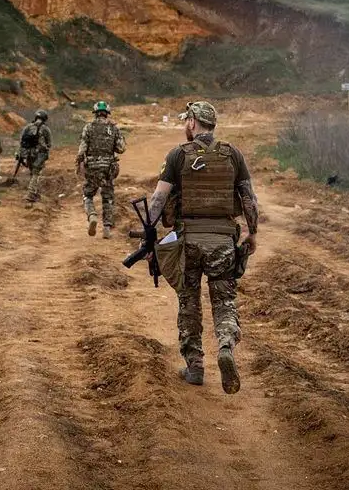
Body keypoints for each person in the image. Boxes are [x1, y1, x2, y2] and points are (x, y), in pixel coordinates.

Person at [140, 101, 259, 394]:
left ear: (192, 122)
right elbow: (248, 199)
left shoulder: (179, 155)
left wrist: (149, 233)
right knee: (224, 301)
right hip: (223, 242)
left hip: (188, 242)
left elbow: (157, 200)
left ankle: (194, 366)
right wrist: (252, 233)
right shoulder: (233, 155)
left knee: (189, 301)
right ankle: (226, 346)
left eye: (186, 121)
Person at [76, 101, 126, 239]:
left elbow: (82, 149)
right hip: (108, 168)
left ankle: (92, 215)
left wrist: (79, 162)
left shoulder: (88, 127)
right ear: (107, 113)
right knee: (108, 198)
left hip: (92, 167)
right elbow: (121, 148)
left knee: (88, 195)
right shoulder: (114, 128)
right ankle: (107, 228)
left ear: (95, 113)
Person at [16, 109, 52, 202]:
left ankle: (35, 193)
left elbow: (21, 142)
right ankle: (31, 193)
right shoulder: (45, 129)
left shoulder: (27, 127)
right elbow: (49, 144)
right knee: (36, 173)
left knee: (32, 172)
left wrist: (21, 154)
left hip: (28, 153)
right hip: (39, 154)